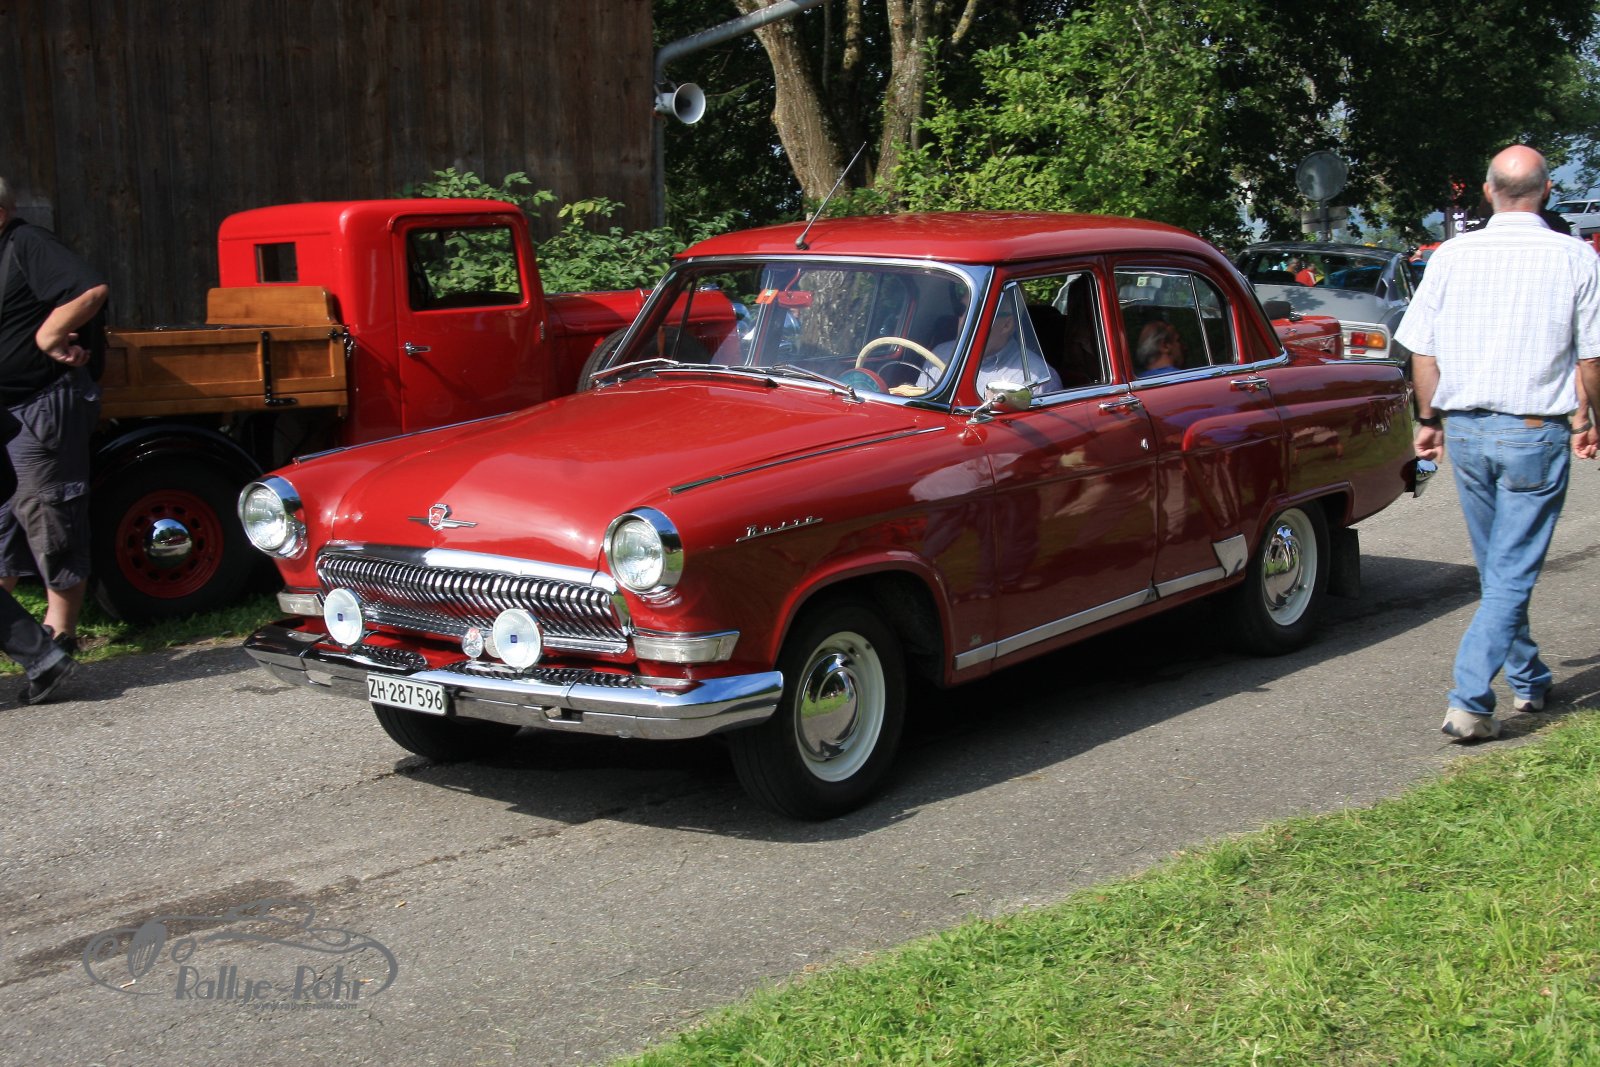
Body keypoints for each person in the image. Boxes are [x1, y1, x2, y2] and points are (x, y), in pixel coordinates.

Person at [1396, 144, 1600, 741]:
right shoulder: (1575, 257)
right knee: (1509, 572)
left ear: (1488, 191)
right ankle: (1469, 700)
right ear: (1547, 191)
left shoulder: (1451, 256)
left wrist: (1428, 419)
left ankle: (1529, 678)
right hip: (1534, 432)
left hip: (1466, 430)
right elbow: (1591, 358)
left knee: (1499, 567)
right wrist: (1591, 419)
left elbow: (1422, 349)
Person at [0, 177, 107, 654]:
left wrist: (49, 335)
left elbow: (90, 289)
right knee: (3, 526)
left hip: (40, 404)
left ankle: (59, 639)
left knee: (50, 515)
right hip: (6, 410)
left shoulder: (27, 242)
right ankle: (25, 646)